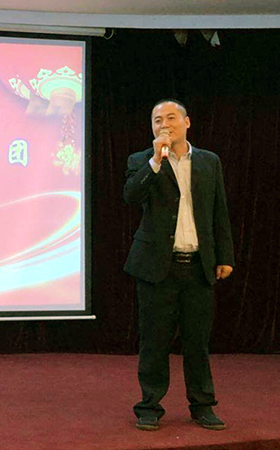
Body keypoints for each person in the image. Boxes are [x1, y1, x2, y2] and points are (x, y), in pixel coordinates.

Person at [123, 99, 235, 431]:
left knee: (197, 342)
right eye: (157, 120)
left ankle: (202, 406)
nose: (164, 124)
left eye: (171, 118)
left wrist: (225, 256)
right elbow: (131, 195)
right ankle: (149, 406)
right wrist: (156, 161)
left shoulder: (209, 161)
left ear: (187, 122)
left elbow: (219, 210)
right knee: (154, 341)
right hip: (157, 266)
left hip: (198, 265)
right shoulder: (141, 160)